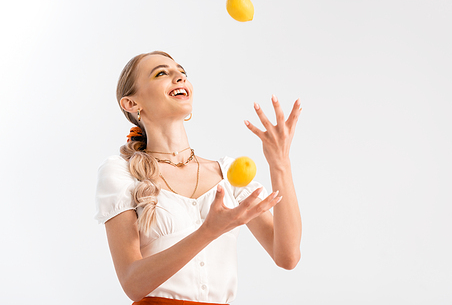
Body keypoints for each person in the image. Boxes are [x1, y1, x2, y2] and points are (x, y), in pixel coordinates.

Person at [95, 51, 302, 305]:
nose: (179, 77)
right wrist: (208, 231)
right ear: (131, 104)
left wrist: (280, 163)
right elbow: (132, 283)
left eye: (182, 72)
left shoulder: (227, 175)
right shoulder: (120, 172)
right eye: (162, 73)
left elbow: (287, 257)